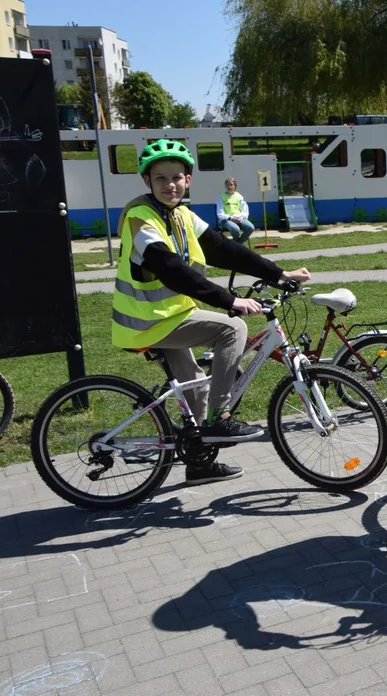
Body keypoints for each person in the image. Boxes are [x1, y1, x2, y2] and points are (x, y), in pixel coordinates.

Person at [112, 139, 312, 485]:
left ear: (188, 180)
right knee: (231, 329)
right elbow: (169, 266)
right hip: (149, 321)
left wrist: (278, 274)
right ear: (147, 182)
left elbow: (226, 250)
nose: (170, 184)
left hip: (169, 315)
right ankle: (221, 418)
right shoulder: (140, 217)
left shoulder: (181, 215)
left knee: (195, 388)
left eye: (177, 177)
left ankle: (199, 463)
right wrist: (229, 301)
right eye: (161, 178)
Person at [215, 177, 255, 244]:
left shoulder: (239, 196)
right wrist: (231, 218)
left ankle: (237, 244)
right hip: (226, 220)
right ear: (225, 186)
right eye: (227, 185)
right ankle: (238, 246)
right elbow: (220, 214)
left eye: (231, 185)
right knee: (235, 229)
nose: (229, 186)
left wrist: (241, 217)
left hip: (239, 218)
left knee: (250, 227)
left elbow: (245, 210)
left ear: (235, 186)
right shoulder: (221, 197)